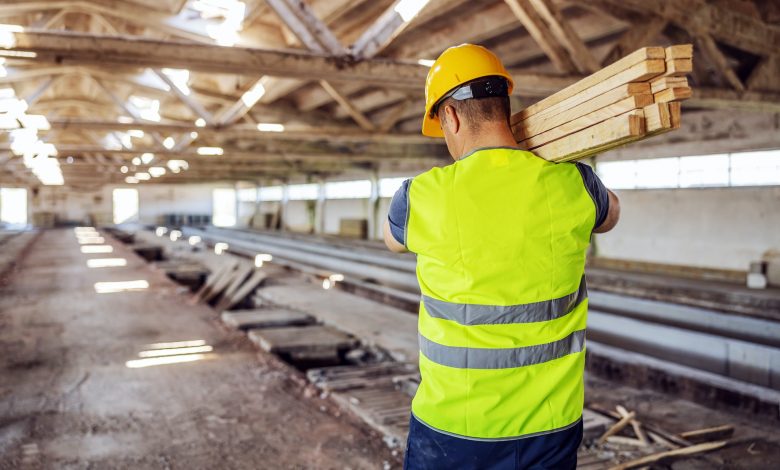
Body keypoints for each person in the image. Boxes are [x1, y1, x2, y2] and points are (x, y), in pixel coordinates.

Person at [383, 44, 620, 469]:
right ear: (505, 107)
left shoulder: (421, 197)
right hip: (551, 426)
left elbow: (391, 238)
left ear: (450, 117)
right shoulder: (575, 185)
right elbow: (611, 214)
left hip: (453, 426)